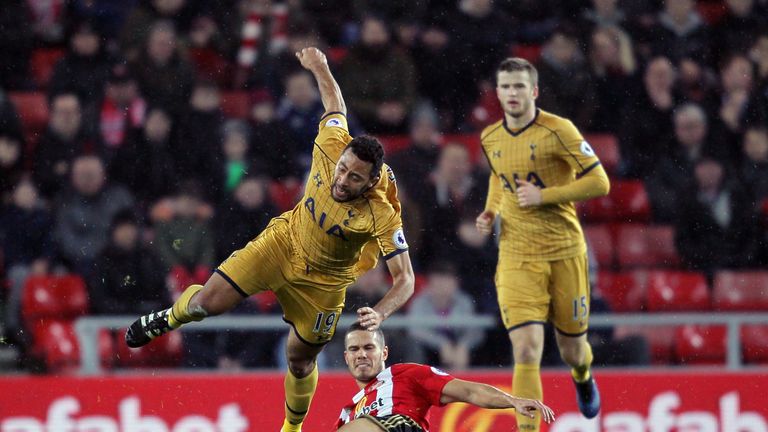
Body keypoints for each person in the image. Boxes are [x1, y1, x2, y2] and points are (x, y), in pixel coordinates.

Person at [125, 47, 415, 432]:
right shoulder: (331, 144)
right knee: (208, 303)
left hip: (323, 286)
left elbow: (406, 279)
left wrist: (380, 312)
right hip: (282, 243)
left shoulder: (381, 210)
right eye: (342, 170)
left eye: (354, 178)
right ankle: (168, 317)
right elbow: (334, 101)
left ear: (371, 179)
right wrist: (320, 66)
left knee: (299, 360)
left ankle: (291, 428)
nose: (342, 180)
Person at [474, 57, 610, 431]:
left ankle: (583, 375)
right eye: (506, 87)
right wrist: (490, 212)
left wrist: (545, 195)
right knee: (526, 349)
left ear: (533, 91)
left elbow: (600, 182)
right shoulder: (490, 137)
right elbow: (499, 180)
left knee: (572, 350)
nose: (512, 93)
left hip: (565, 252)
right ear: (497, 93)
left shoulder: (558, 130)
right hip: (517, 255)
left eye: (519, 86)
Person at [335, 323, 555, 431]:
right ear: (346, 357)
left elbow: (469, 391)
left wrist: (512, 401)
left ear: (384, 353)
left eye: (368, 347)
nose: (361, 354)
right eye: (354, 349)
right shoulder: (347, 413)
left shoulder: (406, 375)